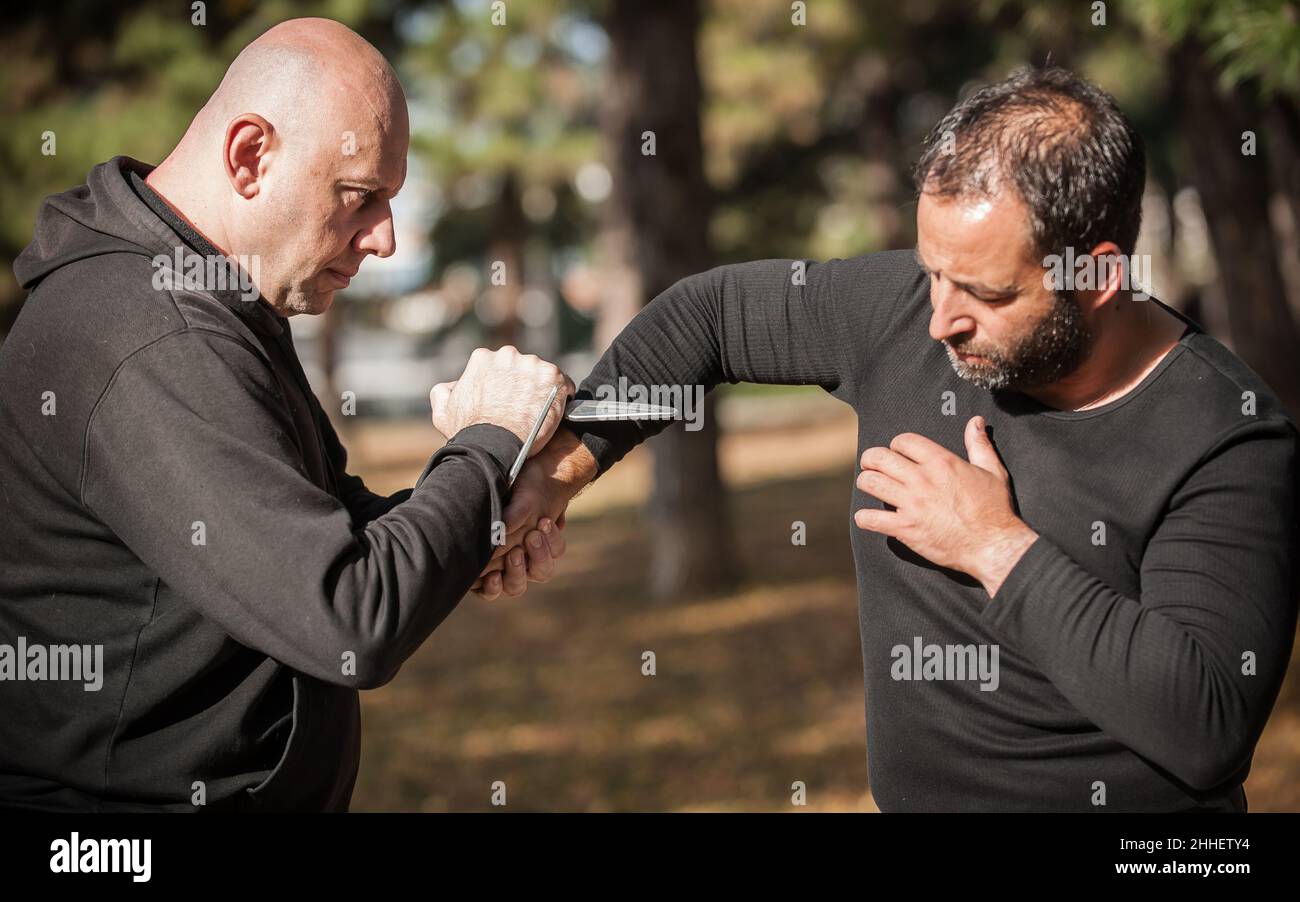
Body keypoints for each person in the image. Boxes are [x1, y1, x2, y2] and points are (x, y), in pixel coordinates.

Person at [493, 66, 1300, 811]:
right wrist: (563, 469)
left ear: (1097, 279)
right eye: (931, 270)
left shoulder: (1225, 437)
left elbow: (1208, 723)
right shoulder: (901, 312)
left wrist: (994, 547)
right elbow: (708, 317)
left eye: (982, 291)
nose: (938, 317)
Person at [0, 18, 568, 812]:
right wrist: (488, 442)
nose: (385, 239)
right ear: (248, 156)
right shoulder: (149, 335)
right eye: (359, 195)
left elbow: (328, 530)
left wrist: (476, 527)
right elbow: (350, 618)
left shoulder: (216, 303)